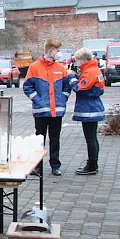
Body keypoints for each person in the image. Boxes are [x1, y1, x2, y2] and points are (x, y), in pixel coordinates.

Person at [23, 38, 71, 176]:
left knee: (55, 139)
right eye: (58, 50)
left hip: (57, 111)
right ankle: (37, 166)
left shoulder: (60, 68)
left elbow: (67, 86)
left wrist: (63, 98)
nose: (59, 53)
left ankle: (55, 165)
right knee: (39, 140)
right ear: (50, 50)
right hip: (41, 111)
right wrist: (38, 100)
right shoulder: (35, 67)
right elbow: (27, 87)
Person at [69, 48, 105, 175]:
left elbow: (80, 88)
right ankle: (92, 163)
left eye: (77, 60)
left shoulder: (89, 71)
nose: (76, 63)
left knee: (90, 138)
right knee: (92, 138)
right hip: (94, 107)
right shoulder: (94, 70)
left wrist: (72, 79)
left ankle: (92, 165)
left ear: (83, 60)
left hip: (89, 109)